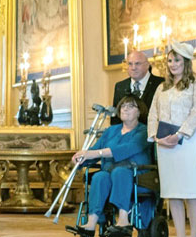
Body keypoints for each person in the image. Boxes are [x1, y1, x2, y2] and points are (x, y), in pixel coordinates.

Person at [65, 95, 152, 237]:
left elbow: (126, 149)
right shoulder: (111, 131)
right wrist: (81, 159)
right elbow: (93, 152)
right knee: (100, 176)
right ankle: (91, 223)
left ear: (139, 111)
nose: (125, 109)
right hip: (110, 174)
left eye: (131, 106)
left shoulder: (144, 131)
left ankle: (124, 220)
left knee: (120, 172)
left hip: (136, 176)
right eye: (123, 106)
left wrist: (94, 153)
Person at [147, 41, 196, 237]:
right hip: (165, 146)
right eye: (170, 60)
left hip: (188, 144)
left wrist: (179, 134)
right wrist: (156, 138)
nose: (173, 64)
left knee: (192, 193)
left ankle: (194, 235)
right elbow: (152, 114)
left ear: (186, 62)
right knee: (172, 193)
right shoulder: (162, 88)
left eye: (177, 60)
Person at [111, 51, 164, 125]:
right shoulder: (120, 86)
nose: (133, 68)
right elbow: (115, 118)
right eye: (130, 64)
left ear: (147, 65)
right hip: (127, 135)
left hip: (153, 134)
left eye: (137, 63)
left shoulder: (161, 84)